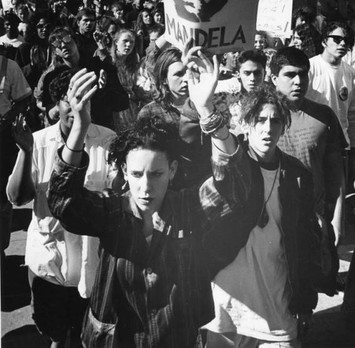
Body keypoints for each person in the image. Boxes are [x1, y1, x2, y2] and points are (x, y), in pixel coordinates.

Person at [46, 54, 252, 347]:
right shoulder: (110, 211)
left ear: (173, 171)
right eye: (137, 174)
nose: (146, 187)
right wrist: (79, 128)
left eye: (156, 174)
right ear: (123, 173)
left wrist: (207, 113)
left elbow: (236, 189)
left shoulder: (187, 208)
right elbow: (62, 202)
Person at [203, 84, 320, 348]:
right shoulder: (234, 165)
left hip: (278, 307)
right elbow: (222, 152)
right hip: (228, 309)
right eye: (260, 120)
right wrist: (204, 106)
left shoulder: (297, 174)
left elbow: (306, 242)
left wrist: (306, 303)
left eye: (275, 121)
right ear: (245, 124)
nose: (268, 128)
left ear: (283, 126)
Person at [7, 69, 117, 348]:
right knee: (54, 332)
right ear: (58, 104)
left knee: (88, 334)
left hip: (93, 266)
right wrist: (25, 152)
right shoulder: (39, 141)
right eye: (71, 99)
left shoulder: (108, 141)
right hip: (49, 264)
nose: (78, 107)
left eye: (86, 99)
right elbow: (17, 199)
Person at [271, 47, 346, 294]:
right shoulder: (261, 118)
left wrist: (336, 219)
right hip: (271, 222)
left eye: (303, 75)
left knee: (307, 294)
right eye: (289, 75)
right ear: (274, 79)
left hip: (313, 222)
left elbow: (336, 175)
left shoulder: (324, 116)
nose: (298, 81)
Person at [306, 21, 355, 195]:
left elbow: (351, 113)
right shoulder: (310, 68)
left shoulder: (349, 72)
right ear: (324, 41)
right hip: (313, 144)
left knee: (339, 196)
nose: (342, 44)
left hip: (340, 146)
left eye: (346, 41)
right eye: (336, 39)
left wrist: (351, 145)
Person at [0, 50, 32, 255]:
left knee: (2, 199)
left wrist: (8, 118)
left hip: (2, 141)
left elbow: (23, 100)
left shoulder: (8, 66)